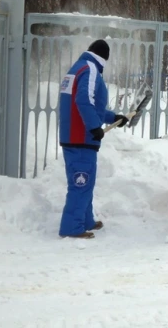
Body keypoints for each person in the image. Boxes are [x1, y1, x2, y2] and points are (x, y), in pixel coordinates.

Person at [58, 39, 129, 239]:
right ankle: (72, 227)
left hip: (74, 136)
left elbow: (92, 105)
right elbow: (83, 100)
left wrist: (112, 117)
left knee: (85, 182)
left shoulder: (77, 68)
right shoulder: (89, 69)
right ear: (104, 57)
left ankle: (85, 219)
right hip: (81, 138)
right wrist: (94, 126)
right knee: (81, 183)